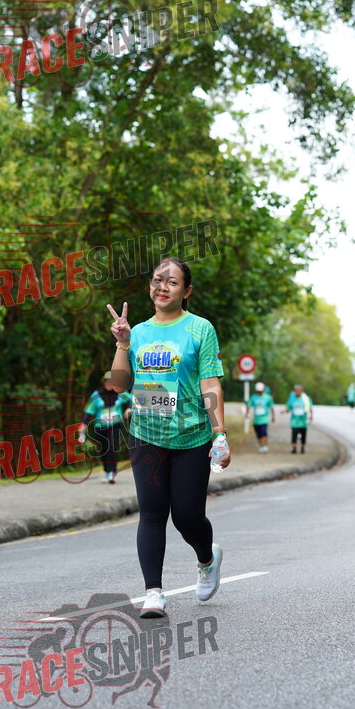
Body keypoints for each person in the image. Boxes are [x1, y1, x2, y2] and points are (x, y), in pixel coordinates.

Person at [107, 256, 229, 618]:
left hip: (191, 435)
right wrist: (122, 344)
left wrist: (219, 433)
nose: (162, 288)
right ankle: (153, 592)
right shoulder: (138, 332)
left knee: (188, 517)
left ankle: (206, 559)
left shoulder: (200, 329)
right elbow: (119, 385)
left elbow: (210, 383)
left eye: (172, 282)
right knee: (152, 512)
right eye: (157, 280)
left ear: (186, 291)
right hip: (146, 434)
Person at [78, 370, 131, 483]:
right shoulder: (96, 395)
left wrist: (129, 408)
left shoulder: (120, 392)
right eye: (107, 381)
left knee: (113, 448)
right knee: (103, 449)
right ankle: (107, 471)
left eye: (112, 381)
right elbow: (89, 411)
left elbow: (132, 400)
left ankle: (112, 472)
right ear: (104, 382)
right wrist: (84, 423)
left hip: (115, 425)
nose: (109, 384)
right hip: (100, 427)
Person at [246, 382, 275, 453]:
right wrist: (247, 413)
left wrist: (273, 416)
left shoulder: (268, 397)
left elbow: (271, 407)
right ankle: (261, 445)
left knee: (263, 432)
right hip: (256, 420)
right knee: (258, 434)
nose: (259, 392)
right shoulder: (253, 397)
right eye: (258, 391)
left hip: (264, 419)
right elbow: (249, 405)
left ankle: (264, 446)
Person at [285, 384, 313, 454]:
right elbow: (289, 407)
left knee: (303, 434)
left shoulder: (306, 398)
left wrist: (311, 416)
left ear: (301, 391)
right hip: (294, 420)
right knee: (294, 434)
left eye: (299, 390)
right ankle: (294, 448)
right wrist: (284, 411)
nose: (297, 392)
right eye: (296, 390)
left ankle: (302, 447)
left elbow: (310, 408)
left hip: (303, 420)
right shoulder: (292, 398)